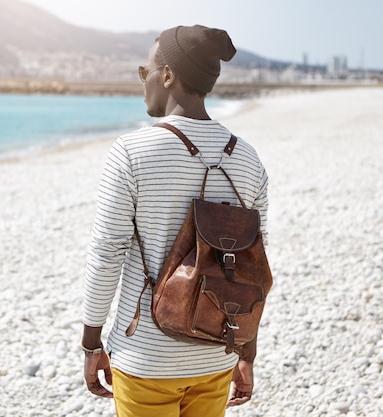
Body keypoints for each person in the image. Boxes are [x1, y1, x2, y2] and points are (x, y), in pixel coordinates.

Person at [81, 25, 269, 417]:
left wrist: (91, 342)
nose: (143, 80)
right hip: (216, 351)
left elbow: (107, 254)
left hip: (146, 356)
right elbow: (254, 265)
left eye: (144, 71)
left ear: (167, 75)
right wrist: (246, 349)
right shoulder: (248, 159)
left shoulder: (131, 152)